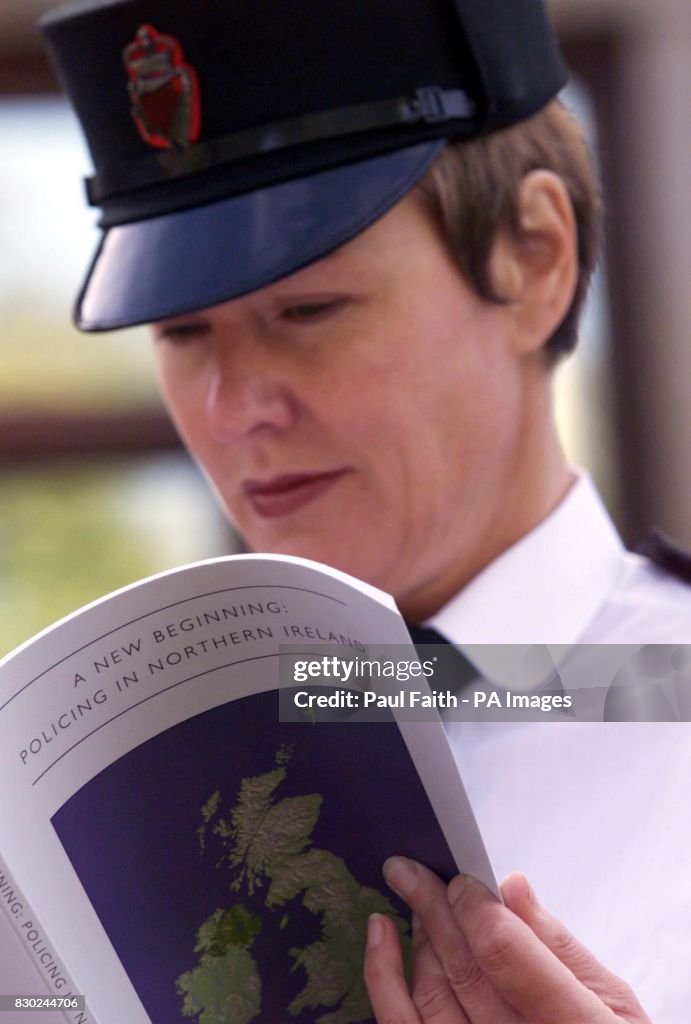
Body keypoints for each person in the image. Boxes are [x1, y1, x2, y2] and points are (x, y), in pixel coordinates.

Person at [40, 0, 691, 1021]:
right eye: (181, 331)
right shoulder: (122, 789)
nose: (231, 410)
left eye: (307, 311)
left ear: (534, 258)